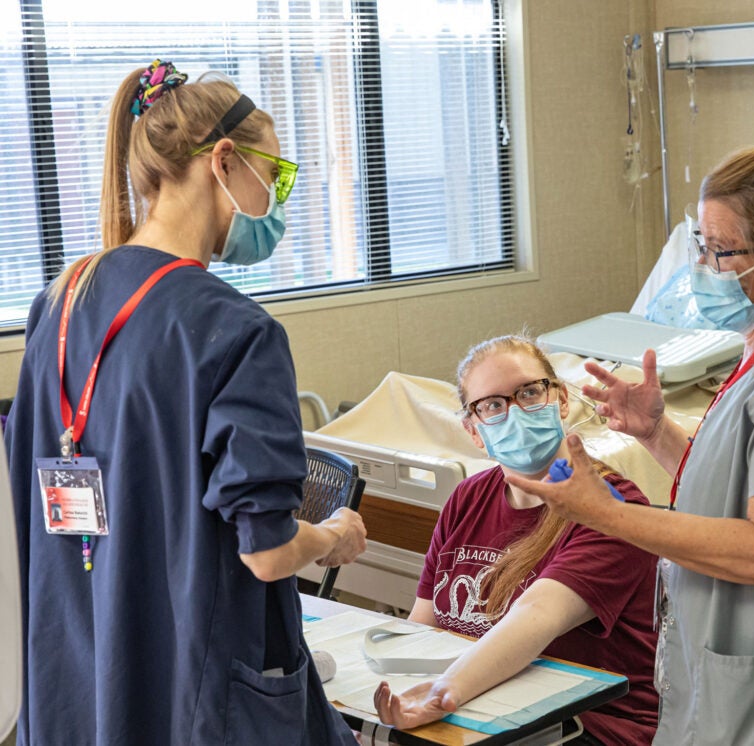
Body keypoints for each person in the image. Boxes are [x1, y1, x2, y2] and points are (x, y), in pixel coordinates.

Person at [4, 60, 366, 746]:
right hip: (195, 699)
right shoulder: (235, 331)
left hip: (74, 685)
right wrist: (334, 537)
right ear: (224, 160)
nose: (276, 200)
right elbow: (268, 552)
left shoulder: (59, 301)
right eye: (276, 176)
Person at [505, 144, 754, 745]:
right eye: (701, 248)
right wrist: (658, 433)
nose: (704, 268)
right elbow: (740, 492)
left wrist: (609, 515)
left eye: (722, 251)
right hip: (721, 681)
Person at [374, 335, 659, 745]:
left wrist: (442, 694)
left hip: (586, 725)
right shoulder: (469, 498)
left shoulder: (613, 506)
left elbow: (537, 614)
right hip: (477, 709)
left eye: (528, 392)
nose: (515, 413)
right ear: (473, 431)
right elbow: (424, 627)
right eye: (492, 405)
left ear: (560, 399)